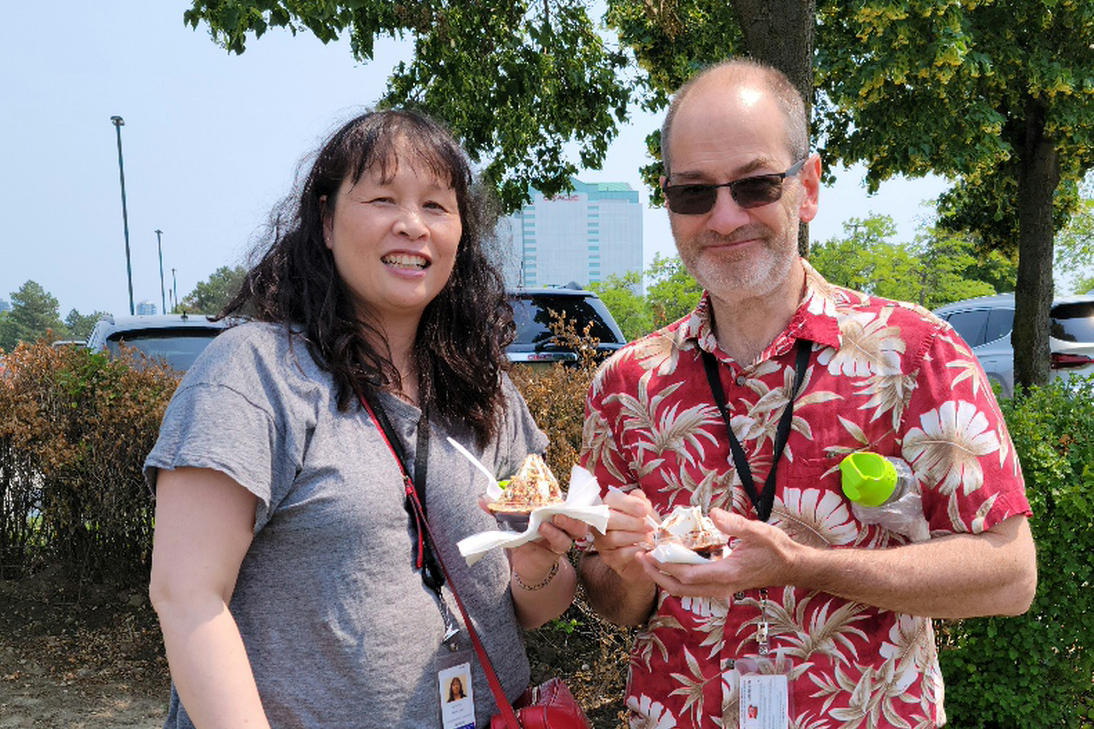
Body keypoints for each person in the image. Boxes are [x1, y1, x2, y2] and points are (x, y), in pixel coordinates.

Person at [577, 59, 1037, 729]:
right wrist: (624, 565)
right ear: (668, 202)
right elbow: (620, 606)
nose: (725, 216)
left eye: (756, 184)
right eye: (694, 193)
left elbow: (1009, 574)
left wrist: (802, 565)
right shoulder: (624, 384)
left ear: (809, 187)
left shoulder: (914, 352)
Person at [146, 109, 584, 728]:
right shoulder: (256, 372)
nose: (412, 225)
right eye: (382, 199)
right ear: (325, 222)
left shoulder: (488, 391)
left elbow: (535, 606)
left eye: (436, 206)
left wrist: (540, 564)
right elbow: (187, 597)